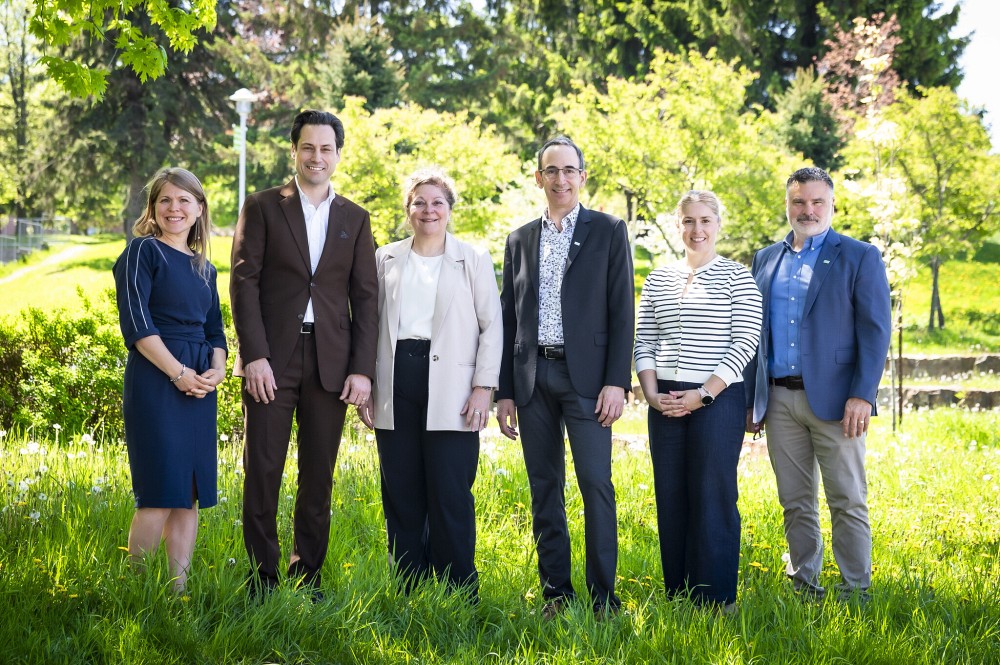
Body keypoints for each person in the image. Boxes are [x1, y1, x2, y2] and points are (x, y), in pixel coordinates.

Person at [231, 109, 378, 597]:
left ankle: (308, 575)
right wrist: (254, 355)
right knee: (262, 470)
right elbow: (244, 284)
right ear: (294, 150)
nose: (317, 156)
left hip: (331, 364)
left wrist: (362, 370)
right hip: (271, 360)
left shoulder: (355, 218)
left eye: (326, 148)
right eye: (308, 147)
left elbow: (366, 299)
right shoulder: (262, 207)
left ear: (338, 154)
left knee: (318, 476)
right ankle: (262, 578)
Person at [496, 136, 634, 619]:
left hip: (590, 381)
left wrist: (617, 381)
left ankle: (604, 599)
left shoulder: (608, 231)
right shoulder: (519, 239)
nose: (560, 179)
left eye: (569, 170)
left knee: (596, 483)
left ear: (582, 176)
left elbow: (622, 310)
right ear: (539, 178)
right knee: (544, 487)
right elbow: (509, 318)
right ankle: (556, 593)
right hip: (533, 379)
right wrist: (505, 391)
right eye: (551, 171)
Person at [744, 166, 891, 602]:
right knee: (794, 500)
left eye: (816, 202)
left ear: (831, 205)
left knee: (846, 498)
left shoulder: (859, 256)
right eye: (798, 202)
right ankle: (804, 585)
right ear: (787, 204)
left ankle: (855, 590)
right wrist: (753, 401)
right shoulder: (765, 259)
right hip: (779, 400)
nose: (807, 210)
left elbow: (875, 331)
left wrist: (862, 394)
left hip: (838, 401)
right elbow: (754, 334)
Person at [357, 168, 502, 599]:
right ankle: (408, 588)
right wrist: (367, 382)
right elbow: (367, 324)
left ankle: (458, 590)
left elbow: (492, 327)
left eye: (437, 202)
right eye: (419, 202)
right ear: (408, 210)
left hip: (454, 389)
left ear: (450, 209)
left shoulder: (473, 259)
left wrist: (483, 388)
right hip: (395, 381)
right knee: (401, 491)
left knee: (450, 490)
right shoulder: (385, 258)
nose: (428, 210)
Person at [634, 191, 761, 612]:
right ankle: (679, 594)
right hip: (665, 398)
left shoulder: (737, 278)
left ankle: (717, 597)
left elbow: (745, 342)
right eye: (689, 221)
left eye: (705, 220)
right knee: (670, 493)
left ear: (718, 225)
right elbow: (644, 340)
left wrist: (703, 394)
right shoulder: (658, 279)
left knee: (712, 492)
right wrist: (651, 394)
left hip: (717, 397)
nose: (697, 229)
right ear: (678, 226)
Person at [112, 167, 228, 592]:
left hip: (199, 386)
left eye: (183, 200)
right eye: (165, 200)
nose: (174, 208)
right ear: (153, 208)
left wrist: (216, 369)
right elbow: (137, 325)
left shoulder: (205, 268)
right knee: (159, 493)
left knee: (188, 496)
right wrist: (178, 373)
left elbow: (215, 330)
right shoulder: (142, 252)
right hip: (157, 381)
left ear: (199, 209)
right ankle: (137, 592)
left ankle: (177, 595)